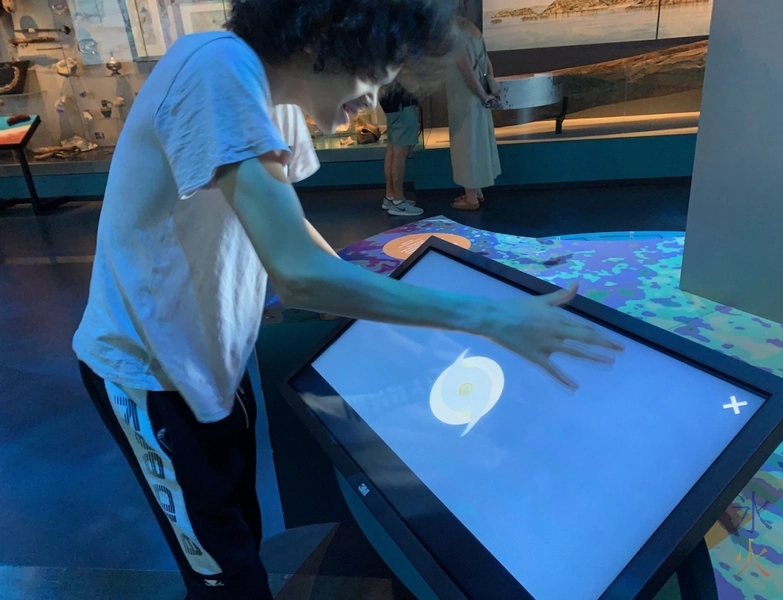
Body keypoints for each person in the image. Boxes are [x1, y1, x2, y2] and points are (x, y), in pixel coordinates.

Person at [72, 1, 622, 598]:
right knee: (221, 571)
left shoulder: (267, 100)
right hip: (145, 372)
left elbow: (292, 232)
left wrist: (390, 316)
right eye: (376, 76)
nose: (372, 100)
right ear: (329, 38)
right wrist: (485, 318)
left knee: (237, 531)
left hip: (209, 357)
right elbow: (298, 274)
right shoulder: (217, 69)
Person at [446, 12, 503, 211]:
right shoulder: (471, 27)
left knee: (466, 145)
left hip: (466, 98)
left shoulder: (453, 33)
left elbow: (467, 72)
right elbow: (486, 61)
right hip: (476, 96)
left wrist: (482, 95)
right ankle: (476, 191)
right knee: (477, 143)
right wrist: (490, 85)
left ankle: (471, 198)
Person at [380, 83, 424, 216]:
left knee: (392, 150)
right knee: (399, 153)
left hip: (391, 104)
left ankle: (390, 197)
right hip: (402, 105)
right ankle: (398, 202)